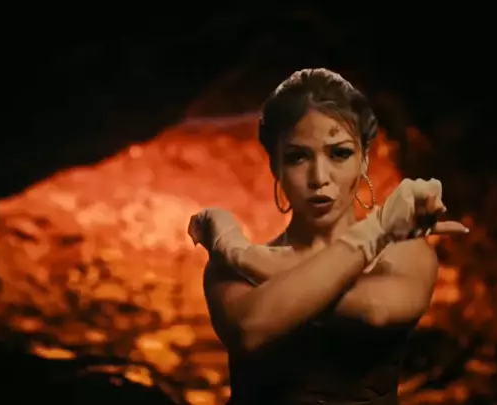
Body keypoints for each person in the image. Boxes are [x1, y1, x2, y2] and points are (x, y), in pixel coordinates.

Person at [188, 68, 469, 405]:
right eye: (298, 157)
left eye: (339, 153)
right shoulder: (226, 268)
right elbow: (251, 329)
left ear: (364, 160)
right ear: (276, 166)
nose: (319, 177)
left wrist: (245, 257)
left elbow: (376, 309)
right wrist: (376, 230)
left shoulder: (404, 252)